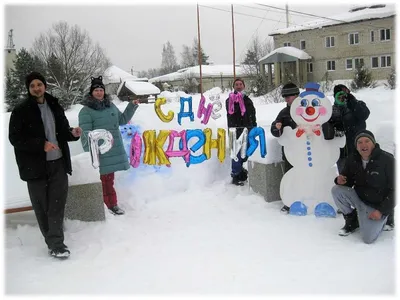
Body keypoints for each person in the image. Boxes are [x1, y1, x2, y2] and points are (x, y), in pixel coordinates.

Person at [9, 72, 82, 259]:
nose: (36, 88)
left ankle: (57, 244)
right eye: (32, 85)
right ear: (28, 88)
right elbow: (15, 139)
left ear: (45, 86)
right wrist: (41, 145)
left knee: (57, 204)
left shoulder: (54, 106)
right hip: (35, 167)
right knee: (42, 207)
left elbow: (62, 132)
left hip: (57, 163)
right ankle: (53, 241)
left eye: (39, 84)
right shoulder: (21, 110)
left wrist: (73, 133)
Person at [79, 76, 139, 215]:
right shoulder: (86, 111)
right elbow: (85, 134)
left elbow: (122, 120)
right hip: (99, 152)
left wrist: (132, 106)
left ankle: (112, 205)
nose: (99, 92)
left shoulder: (110, 106)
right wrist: (91, 153)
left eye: (101, 90)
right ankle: (104, 207)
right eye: (96, 90)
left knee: (108, 180)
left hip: (112, 149)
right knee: (101, 181)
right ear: (91, 92)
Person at [331, 130, 395, 243]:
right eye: (359, 142)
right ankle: (352, 220)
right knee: (336, 190)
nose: (363, 145)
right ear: (356, 146)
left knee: (368, 238)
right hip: (360, 198)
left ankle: (387, 217)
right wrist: (340, 180)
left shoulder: (387, 160)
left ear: (373, 144)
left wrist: (381, 210)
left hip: (378, 205)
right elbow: (348, 180)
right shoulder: (352, 159)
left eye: (367, 141)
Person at [322, 84, 370, 173]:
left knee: (362, 178)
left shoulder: (357, 105)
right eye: (339, 96)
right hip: (342, 153)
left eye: (344, 96)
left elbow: (364, 114)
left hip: (358, 151)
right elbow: (325, 129)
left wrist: (352, 101)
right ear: (335, 97)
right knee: (344, 179)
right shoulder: (331, 111)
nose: (342, 99)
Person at [270, 82, 299, 213]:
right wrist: (276, 128)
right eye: (284, 96)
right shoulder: (284, 112)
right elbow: (275, 130)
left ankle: (307, 198)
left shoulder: (307, 109)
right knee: (290, 176)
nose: (286, 99)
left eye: (289, 96)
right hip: (290, 152)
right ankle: (289, 202)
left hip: (307, 151)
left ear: (296, 95)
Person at [225, 78, 257, 186]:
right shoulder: (230, 100)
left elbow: (252, 114)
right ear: (234, 87)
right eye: (236, 84)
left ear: (244, 86)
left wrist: (254, 127)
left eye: (240, 84)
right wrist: (238, 101)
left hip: (247, 129)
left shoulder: (247, 99)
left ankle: (242, 171)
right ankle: (235, 175)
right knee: (236, 154)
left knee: (246, 152)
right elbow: (233, 113)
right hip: (235, 130)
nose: (239, 86)